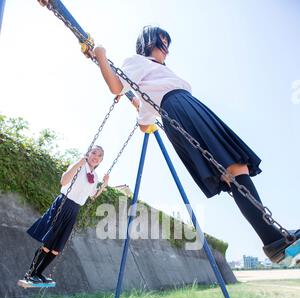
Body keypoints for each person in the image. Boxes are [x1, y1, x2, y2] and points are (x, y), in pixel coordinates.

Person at [91, 25, 299, 266]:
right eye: (162, 40)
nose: (166, 47)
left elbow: (144, 120)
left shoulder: (157, 73)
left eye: (168, 42)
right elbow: (117, 88)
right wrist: (100, 53)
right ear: (148, 41)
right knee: (235, 169)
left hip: (187, 107)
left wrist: (140, 107)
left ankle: (273, 240)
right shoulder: (137, 61)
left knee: (236, 173)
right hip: (180, 110)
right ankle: (273, 240)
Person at [21, 146, 109, 287]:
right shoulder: (79, 165)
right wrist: (78, 164)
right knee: (49, 241)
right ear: (88, 153)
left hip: (74, 209)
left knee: (57, 246)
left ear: (101, 160)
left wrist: (104, 184)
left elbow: (92, 195)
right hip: (64, 203)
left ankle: (39, 273)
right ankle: (30, 273)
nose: (96, 156)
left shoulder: (95, 176)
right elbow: (63, 181)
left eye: (99, 155)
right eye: (94, 152)